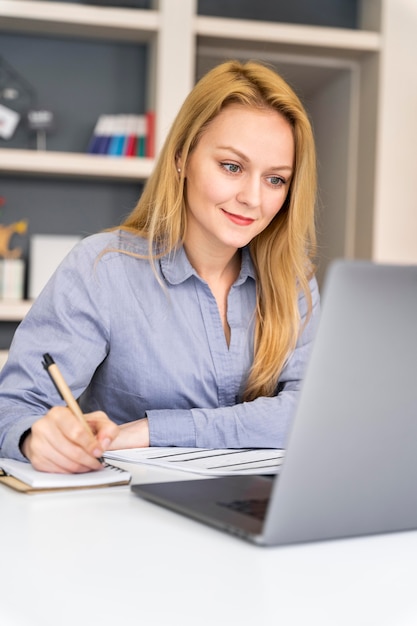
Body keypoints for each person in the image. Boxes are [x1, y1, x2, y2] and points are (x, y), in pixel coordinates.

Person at [0, 60, 320, 473]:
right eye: (232, 167)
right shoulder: (104, 269)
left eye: (275, 179)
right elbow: (12, 409)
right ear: (181, 157)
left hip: (256, 510)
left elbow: (307, 413)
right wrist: (33, 438)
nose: (253, 199)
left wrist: (150, 431)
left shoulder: (293, 282)